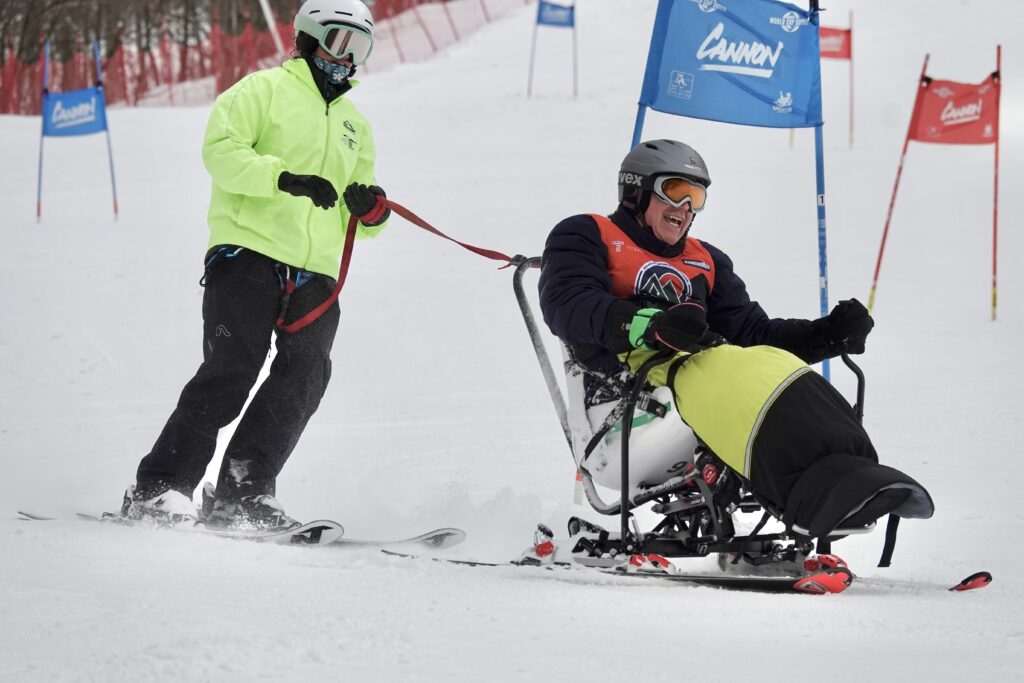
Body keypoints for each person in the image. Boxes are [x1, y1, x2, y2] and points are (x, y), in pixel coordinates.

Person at [538, 139, 933, 545]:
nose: (686, 208)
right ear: (637, 190)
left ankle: (853, 477)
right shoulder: (588, 234)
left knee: (774, 365)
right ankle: (812, 498)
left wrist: (826, 335)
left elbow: (756, 335)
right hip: (622, 404)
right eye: (676, 191)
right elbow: (567, 303)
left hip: (698, 384)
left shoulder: (705, 260)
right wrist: (650, 323)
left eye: (697, 197)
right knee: (732, 368)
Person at [121, 0, 390, 530]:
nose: (349, 60)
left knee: (306, 375)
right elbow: (220, 150)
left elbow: (372, 216)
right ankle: (159, 488)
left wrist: (372, 207)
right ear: (310, 40)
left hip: (316, 271)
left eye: (361, 49)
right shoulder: (261, 91)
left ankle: (243, 493)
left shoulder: (356, 124)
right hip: (248, 253)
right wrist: (282, 178)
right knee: (232, 369)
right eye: (340, 44)